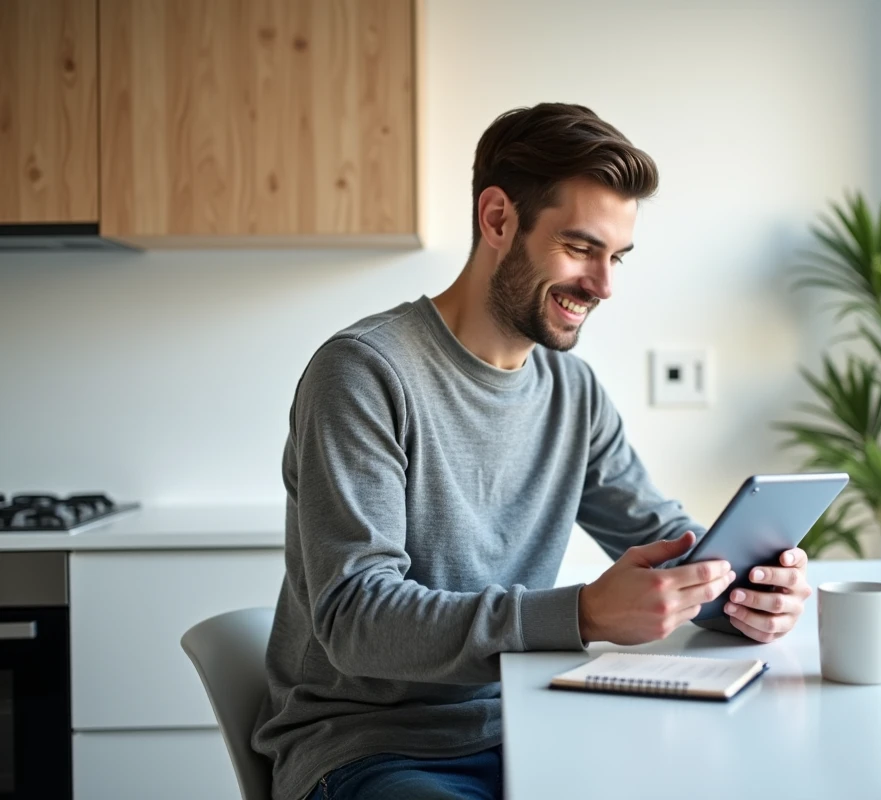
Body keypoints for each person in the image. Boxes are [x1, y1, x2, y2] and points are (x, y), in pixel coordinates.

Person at [252, 102, 812, 800]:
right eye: (580, 248)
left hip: (534, 722)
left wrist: (746, 589)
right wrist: (582, 615)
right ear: (497, 219)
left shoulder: (572, 393)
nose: (603, 286)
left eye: (616, 258)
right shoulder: (364, 373)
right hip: (374, 750)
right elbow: (356, 619)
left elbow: (666, 536)